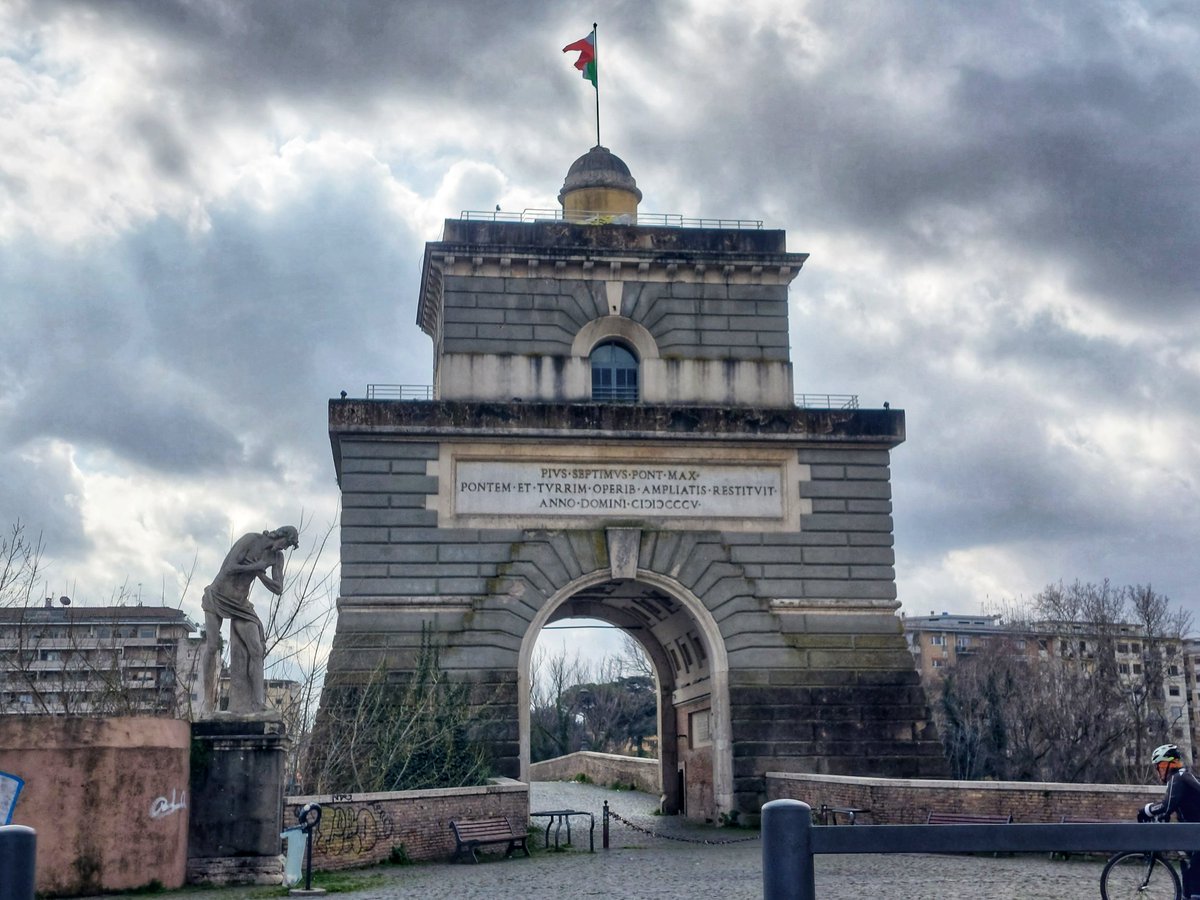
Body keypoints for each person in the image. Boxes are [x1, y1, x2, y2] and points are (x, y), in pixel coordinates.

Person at [199, 526, 299, 715]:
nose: (284, 548)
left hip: (240, 605)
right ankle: (207, 702)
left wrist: (260, 574)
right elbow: (228, 568)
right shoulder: (250, 540)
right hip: (218, 595)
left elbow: (278, 588)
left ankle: (258, 703)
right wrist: (255, 567)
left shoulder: (277, 557)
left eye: (287, 547)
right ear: (280, 535)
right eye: (286, 543)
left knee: (256, 649)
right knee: (212, 646)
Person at [1140, 743, 1200, 898]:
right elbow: (1175, 805)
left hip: (1196, 834)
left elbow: (1166, 806)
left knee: (1194, 879)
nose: (1158, 771)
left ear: (1168, 764)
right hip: (1193, 832)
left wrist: (1146, 810)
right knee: (1188, 871)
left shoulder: (1178, 778)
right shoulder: (1184, 776)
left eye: (1159, 767)